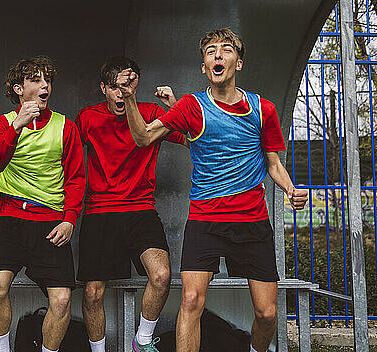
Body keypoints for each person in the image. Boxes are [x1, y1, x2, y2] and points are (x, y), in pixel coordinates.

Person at [117, 29, 308, 352]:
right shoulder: (191, 106)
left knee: (267, 313)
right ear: (204, 67)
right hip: (205, 219)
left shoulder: (264, 110)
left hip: (251, 221)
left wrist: (290, 189)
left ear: (239, 62)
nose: (218, 55)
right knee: (191, 301)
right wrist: (131, 98)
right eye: (210, 52)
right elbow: (143, 137)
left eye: (226, 50)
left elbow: (273, 163)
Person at [76, 57, 186, 352]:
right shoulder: (87, 118)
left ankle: (142, 341)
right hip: (100, 211)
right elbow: (64, 159)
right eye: (115, 87)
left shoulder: (152, 112)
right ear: (104, 89)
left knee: (162, 276)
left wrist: (175, 108)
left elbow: (192, 140)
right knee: (92, 294)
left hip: (140, 208)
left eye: (128, 86)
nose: (121, 94)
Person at [0, 56, 85, 352]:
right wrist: (16, 127)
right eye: (36, 80)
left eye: (48, 80)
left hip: (50, 223)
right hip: (10, 219)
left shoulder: (65, 126)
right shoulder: (2, 123)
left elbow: (76, 177)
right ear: (18, 88)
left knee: (62, 300)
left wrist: (69, 219)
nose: (45, 86)